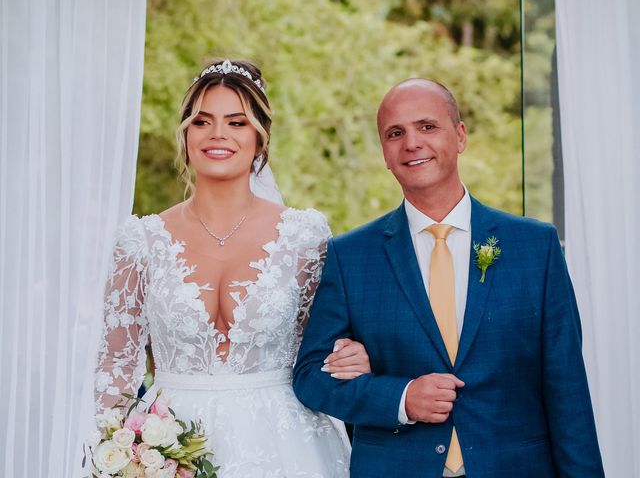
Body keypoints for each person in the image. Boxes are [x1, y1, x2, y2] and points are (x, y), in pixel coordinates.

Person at [293, 78, 604, 477]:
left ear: (460, 136)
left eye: (427, 127)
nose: (411, 143)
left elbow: (568, 391)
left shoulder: (535, 247)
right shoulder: (351, 256)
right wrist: (401, 398)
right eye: (395, 133)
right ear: (385, 155)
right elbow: (310, 377)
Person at [94, 58, 371, 477]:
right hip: (170, 448)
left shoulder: (304, 236)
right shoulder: (140, 242)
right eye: (202, 121)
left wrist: (353, 355)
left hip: (289, 447)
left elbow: (329, 346)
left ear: (260, 139)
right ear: (186, 134)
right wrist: (125, 454)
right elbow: (115, 372)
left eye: (237, 122)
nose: (218, 134)